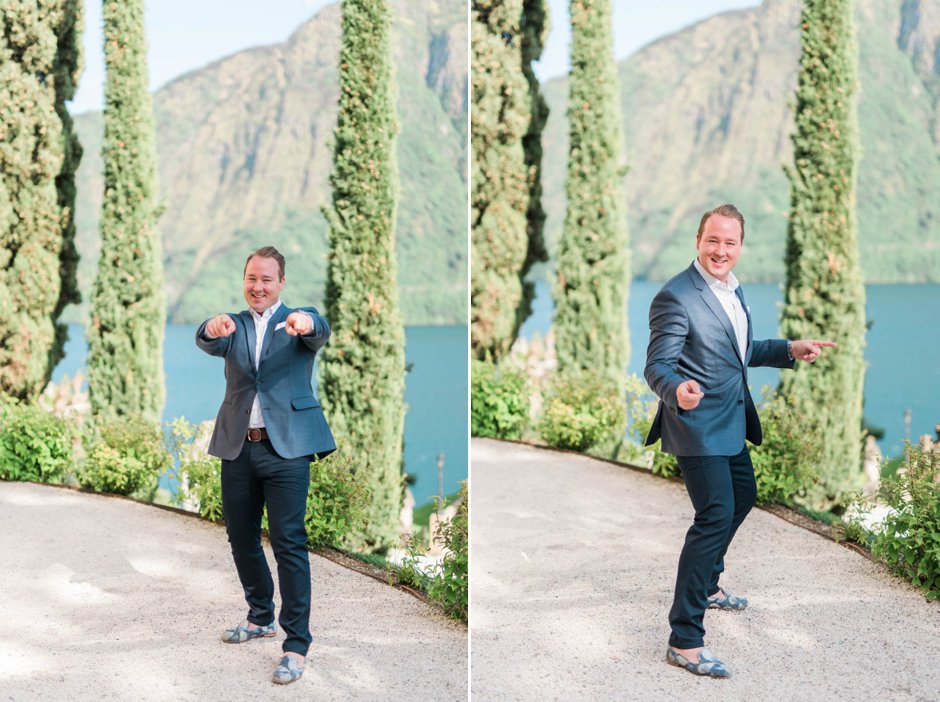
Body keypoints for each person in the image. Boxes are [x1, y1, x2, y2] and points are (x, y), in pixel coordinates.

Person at [643, 204, 834, 678]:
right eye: (713, 240)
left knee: (744, 496)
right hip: (695, 426)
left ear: (740, 246)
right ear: (697, 240)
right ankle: (685, 639)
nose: (720, 250)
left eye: (730, 242)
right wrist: (676, 390)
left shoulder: (732, 289)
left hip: (729, 421)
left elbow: (739, 350)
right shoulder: (676, 296)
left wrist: (789, 349)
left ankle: (708, 584)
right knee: (714, 517)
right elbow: (657, 366)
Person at [196, 245, 335, 685]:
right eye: (251, 279)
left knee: (288, 542)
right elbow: (206, 339)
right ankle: (260, 617)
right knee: (240, 537)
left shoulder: (299, 320)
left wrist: (307, 323)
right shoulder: (233, 325)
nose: (258, 287)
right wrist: (210, 326)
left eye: (266, 280)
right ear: (245, 281)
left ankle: (296, 645)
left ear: (281, 283)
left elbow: (319, 330)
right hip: (239, 448)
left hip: (286, 451)